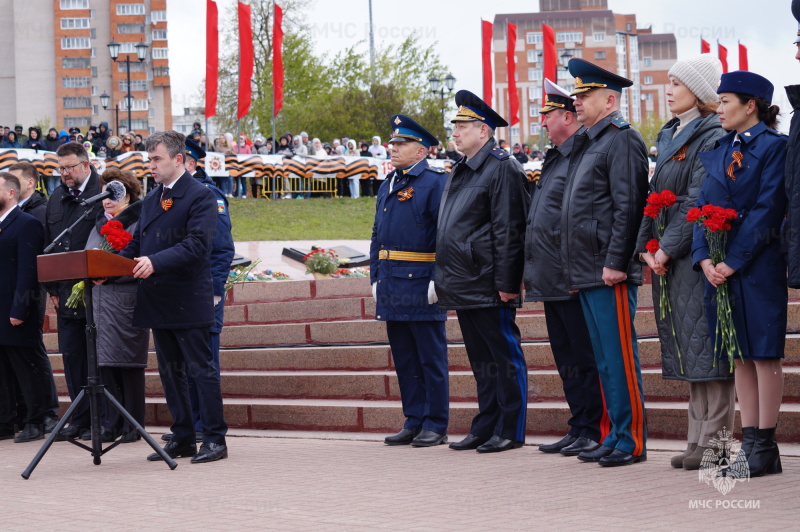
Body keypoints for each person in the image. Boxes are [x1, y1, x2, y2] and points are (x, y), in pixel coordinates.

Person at [636, 55, 733, 470]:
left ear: (699, 91)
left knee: (709, 350)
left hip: (697, 254)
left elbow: (696, 197)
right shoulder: (672, 131)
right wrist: (646, 246)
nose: (669, 89)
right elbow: (655, 196)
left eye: (676, 82)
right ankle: (697, 441)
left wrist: (665, 248)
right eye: (669, 82)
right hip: (671, 258)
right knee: (691, 349)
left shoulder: (710, 132)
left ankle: (718, 446)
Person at [692, 71, 787, 478]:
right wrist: (704, 259)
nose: (720, 107)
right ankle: (749, 444)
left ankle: (765, 445)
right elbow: (700, 208)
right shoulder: (717, 149)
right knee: (740, 355)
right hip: (721, 269)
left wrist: (733, 260)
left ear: (751, 105)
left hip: (757, 265)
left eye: (727, 100)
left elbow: (769, 209)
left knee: (764, 354)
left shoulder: (774, 148)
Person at [119, 130, 228, 464]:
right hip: (157, 299)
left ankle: (214, 438)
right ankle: (182, 436)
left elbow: (197, 245)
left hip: (187, 296)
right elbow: (139, 245)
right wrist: (109, 265)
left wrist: (155, 262)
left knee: (200, 370)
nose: (150, 165)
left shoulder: (201, 196)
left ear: (178, 159)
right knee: (170, 371)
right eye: (149, 159)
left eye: (156, 159)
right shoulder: (153, 198)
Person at [561, 58, 649, 466]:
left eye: (584, 95)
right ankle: (614, 433)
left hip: (607, 268)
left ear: (610, 99)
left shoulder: (621, 139)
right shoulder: (592, 141)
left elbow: (627, 207)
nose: (576, 102)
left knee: (619, 357)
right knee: (602, 359)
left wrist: (617, 261)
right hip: (588, 267)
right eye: (576, 96)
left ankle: (631, 439)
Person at [436, 90, 529, 453]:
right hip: (465, 281)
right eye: (455, 126)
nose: (455, 133)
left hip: (490, 282)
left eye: (463, 126)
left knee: (503, 357)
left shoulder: (502, 167)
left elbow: (510, 229)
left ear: (484, 131)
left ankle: (510, 428)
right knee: (481, 360)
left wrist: (507, 283)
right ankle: (486, 424)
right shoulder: (462, 167)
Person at [524, 79, 607, 456]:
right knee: (567, 358)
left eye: (548, 116)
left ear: (568, 117)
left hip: (573, 275)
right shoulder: (557, 157)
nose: (542, 124)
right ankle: (579, 425)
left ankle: (594, 428)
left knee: (586, 357)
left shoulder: (581, 155)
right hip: (551, 276)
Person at [370, 115, 449, 448]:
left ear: (421, 151)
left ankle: (435, 422)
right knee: (404, 357)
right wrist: (375, 275)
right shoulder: (388, 183)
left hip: (421, 283)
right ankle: (414, 419)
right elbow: (377, 234)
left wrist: (439, 279)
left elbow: (445, 235)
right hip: (392, 283)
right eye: (393, 144)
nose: (393, 149)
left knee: (430, 357)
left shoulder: (434, 182)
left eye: (401, 145)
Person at [160, 137, 234, 444]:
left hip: (203, 294)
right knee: (179, 367)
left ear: (189, 163)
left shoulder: (209, 196)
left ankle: (207, 425)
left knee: (202, 366)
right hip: (175, 297)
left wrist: (215, 290)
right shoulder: (165, 197)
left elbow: (221, 249)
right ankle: (190, 426)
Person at [46, 142, 105, 441]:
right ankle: (79, 420)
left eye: (69, 167)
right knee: (72, 358)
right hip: (65, 295)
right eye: (60, 168)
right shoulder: (56, 197)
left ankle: (104, 419)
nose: (64, 173)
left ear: (86, 164)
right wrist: (52, 289)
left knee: (100, 358)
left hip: (97, 293)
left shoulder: (104, 192)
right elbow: (50, 242)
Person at [84, 169, 148, 443]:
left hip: (126, 301)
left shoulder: (138, 222)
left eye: (115, 194)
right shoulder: (96, 224)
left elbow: (137, 260)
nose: (108, 201)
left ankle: (132, 424)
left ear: (130, 195)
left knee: (128, 365)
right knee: (106, 365)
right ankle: (111, 423)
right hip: (99, 304)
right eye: (105, 195)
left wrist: (111, 273)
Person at [0, 172, 54, 443]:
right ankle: (6, 421)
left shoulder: (27, 224)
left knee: (26, 367)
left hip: (17, 310)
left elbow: (28, 271)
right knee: (3, 371)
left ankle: (36, 420)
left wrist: (20, 310)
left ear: (11, 192)